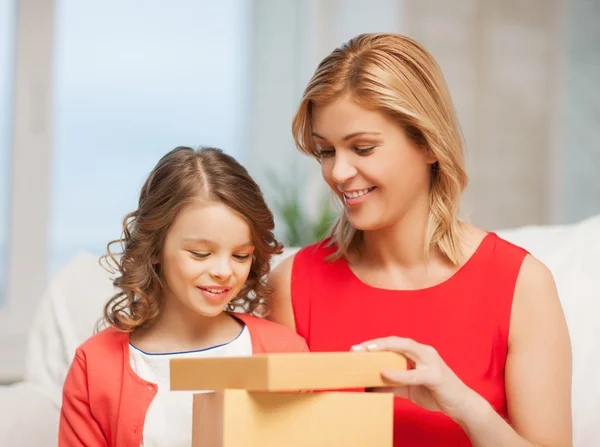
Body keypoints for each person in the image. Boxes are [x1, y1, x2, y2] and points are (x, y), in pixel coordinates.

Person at [267, 33, 572, 446]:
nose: (338, 173)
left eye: (363, 148)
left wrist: (464, 406)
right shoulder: (294, 284)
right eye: (326, 152)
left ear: (428, 143)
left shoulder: (521, 284)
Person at [58, 147, 308, 447]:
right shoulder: (95, 365)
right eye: (200, 254)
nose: (224, 271)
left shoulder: (284, 351)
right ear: (155, 249)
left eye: (241, 255)